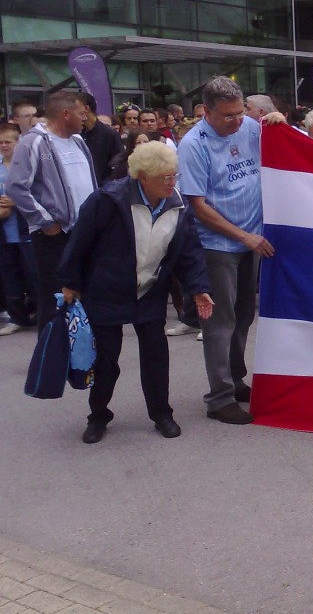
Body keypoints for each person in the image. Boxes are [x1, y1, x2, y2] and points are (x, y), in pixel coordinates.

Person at [57, 142, 213, 444]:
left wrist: (199, 289)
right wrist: (69, 283)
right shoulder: (108, 199)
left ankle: (162, 413)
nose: (172, 182)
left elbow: (189, 252)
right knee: (106, 360)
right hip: (106, 290)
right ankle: (98, 415)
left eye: (174, 175)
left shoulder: (177, 204)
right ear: (142, 177)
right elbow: (80, 242)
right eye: (164, 177)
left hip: (149, 290)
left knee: (156, 355)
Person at [178, 76, 273, 425]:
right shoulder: (193, 145)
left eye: (240, 113)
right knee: (221, 322)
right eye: (228, 116)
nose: (237, 122)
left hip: (252, 239)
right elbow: (198, 206)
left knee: (245, 314)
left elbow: (282, 145)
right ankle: (218, 398)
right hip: (218, 244)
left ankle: (235, 379)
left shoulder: (248, 126)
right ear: (207, 111)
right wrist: (243, 236)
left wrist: (278, 123)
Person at [7, 91, 97, 333]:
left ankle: (82, 358)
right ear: (66, 114)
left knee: (85, 295)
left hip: (84, 233)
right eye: (81, 112)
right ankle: (52, 361)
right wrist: (47, 224)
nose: (86, 117)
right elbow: (16, 187)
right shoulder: (34, 142)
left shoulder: (79, 141)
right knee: (56, 299)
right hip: (54, 236)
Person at [0, 124, 37, 335]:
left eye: (8, 141)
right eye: (1, 142)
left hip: (26, 229)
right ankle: (17, 317)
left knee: (33, 273)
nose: (4, 146)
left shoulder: (26, 165)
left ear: (17, 142)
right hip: (5, 231)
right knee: (9, 274)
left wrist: (16, 201)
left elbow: (37, 192)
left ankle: (43, 313)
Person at [77, 92, 124, 186]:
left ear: (86, 108)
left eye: (75, 107)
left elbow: (119, 165)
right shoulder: (75, 134)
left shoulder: (110, 135)